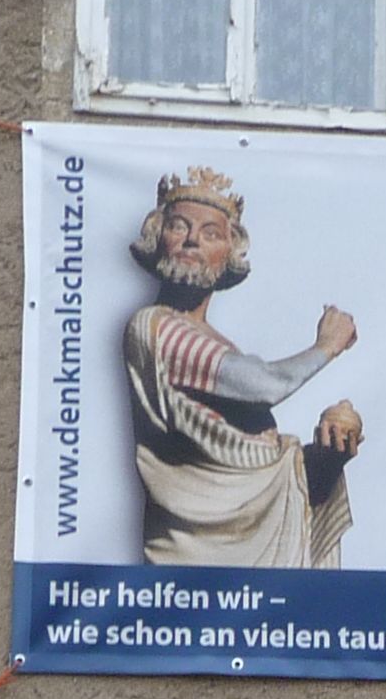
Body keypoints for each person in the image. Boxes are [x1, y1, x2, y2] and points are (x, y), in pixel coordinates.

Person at [121, 167, 365, 568]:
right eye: (179, 226)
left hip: (252, 547)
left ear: (230, 253)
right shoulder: (155, 328)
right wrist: (327, 346)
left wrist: (326, 458)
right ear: (158, 236)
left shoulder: (218, 343)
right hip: (195, 558)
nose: (192, 240)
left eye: (211, 233)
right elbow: (265, 385)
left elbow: (253, 465)